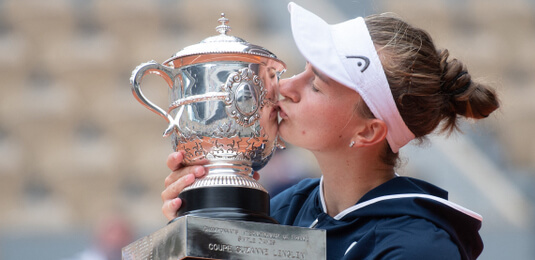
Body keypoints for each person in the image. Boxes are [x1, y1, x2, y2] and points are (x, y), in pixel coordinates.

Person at [161, 2, 499, 259]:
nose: (287, 86)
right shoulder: (283, 209)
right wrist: (193, 222)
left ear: (369, 132)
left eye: (316, 85)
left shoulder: (418, 248)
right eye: (303, 70)